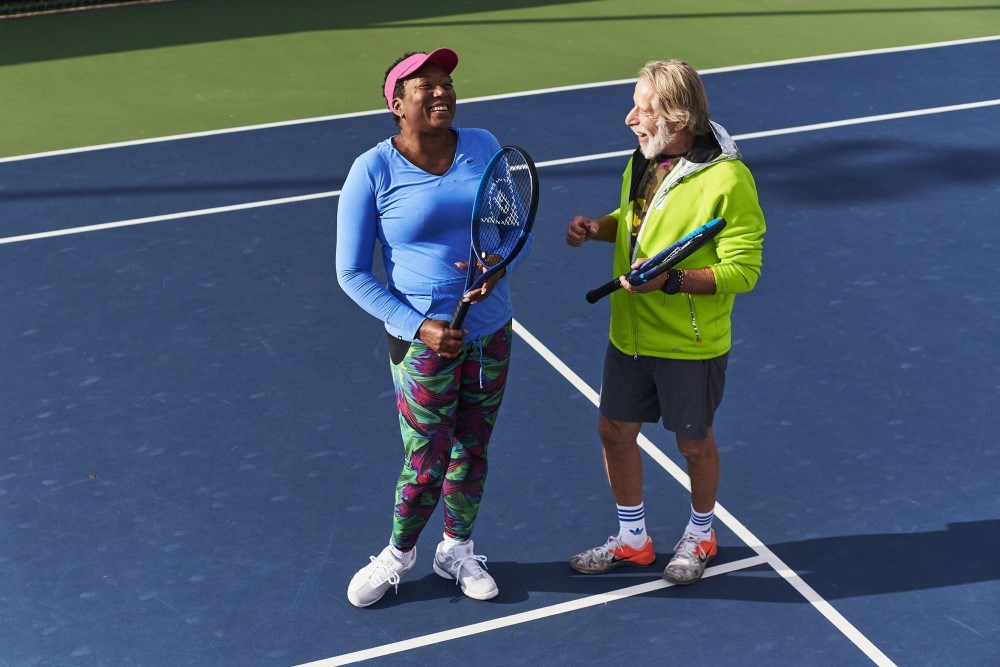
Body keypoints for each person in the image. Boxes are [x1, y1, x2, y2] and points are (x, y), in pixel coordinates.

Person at [336, 48, 531, 607]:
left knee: (473, 446)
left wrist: (498, 270)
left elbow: (516, 232)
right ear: (397, 104)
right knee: (425, 460)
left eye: (446, 82)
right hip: (422, 346)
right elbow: (351, 273)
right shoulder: (372, 169)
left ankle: (458, 549)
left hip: (490, 331)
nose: (442, 91)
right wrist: (419, 326)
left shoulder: (484, 146)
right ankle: (398, 553)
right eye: (426, 86)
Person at [564, 59, 764, 585]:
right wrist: (601, 228)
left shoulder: (728, 180)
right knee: (614, 432)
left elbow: (743, 270)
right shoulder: (644, 159)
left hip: (688, 343)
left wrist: (671, 282)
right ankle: (634, 540)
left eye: (642, 108)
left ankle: (701, 533)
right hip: (628, 334)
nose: (631, 118)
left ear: (677, 118)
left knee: (694, 445)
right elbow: (640, 224)